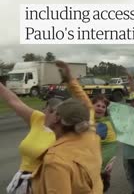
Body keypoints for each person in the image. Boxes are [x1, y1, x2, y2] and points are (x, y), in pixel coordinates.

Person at [1, 61, 89, 194]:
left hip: (43, 185)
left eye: (47, 108)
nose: (43, 110)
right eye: (49, 109)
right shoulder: (38, 119)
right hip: (21, 182)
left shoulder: (64, 133)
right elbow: (13, 100)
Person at [32, 61, 103, 193]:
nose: (48, 113)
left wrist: (69, 79)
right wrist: (70, 80)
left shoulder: (56, 160)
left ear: (57, 118)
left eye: (53, 111)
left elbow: (86, 105)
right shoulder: (90, 134)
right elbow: (86, 105)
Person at [92, 94, 117, 192]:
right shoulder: (96, 121)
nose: (100, 108)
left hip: (100, 166)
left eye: (103, 107)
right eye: (98, 105)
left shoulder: (103, 123)